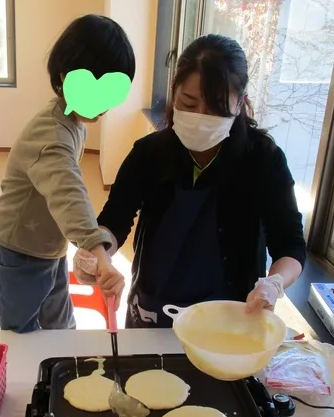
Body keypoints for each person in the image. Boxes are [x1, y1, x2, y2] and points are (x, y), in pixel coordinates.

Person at [75, 35, 306, 328]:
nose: (200, 117)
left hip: (232, 315)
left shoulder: (263, 160)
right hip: (156, 309)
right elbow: (114, 221)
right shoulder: (149, 154)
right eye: (189, 103)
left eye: (216, 108)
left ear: (241, 103)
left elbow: (290, 246)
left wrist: (274, 283)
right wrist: (97, 255)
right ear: (174, 93)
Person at [0, 14, 135, 333]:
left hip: (46, 247)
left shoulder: (73, 122)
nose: (105, 103)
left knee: (61, 326)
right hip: (18, 252)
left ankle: (61, 373)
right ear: (65, 76)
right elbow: (69, 194)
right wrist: (99, 251)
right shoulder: (51, 134)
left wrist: (89, 249)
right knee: (23, 334)